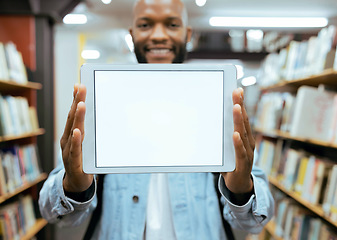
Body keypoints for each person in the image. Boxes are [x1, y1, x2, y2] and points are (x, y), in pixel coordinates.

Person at [39, 0, 274, 239]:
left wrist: (242, 189)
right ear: (132, 35)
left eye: (172, 24)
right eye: (145, 25)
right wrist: (73, 187)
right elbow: (53, 213)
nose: (159, 35)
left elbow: (256, 219)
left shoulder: (215, 102)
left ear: (187, 34)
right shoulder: (104, 101)